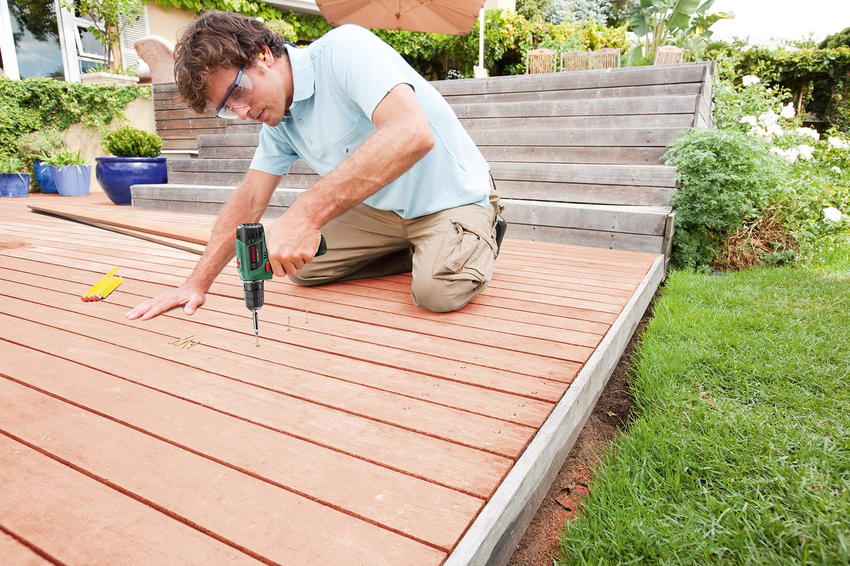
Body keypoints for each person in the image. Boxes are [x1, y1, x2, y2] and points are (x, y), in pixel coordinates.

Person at [126, 10, 505, 322]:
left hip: (454, 197)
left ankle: (476, 233)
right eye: (227, 108)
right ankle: (426, 247)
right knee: (302, 265)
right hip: (387, 213)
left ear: (263, 54)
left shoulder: (345, 49)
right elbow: (250, 198)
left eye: (237, 93)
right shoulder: (278, 117)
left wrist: (305, 214)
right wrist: (196, 283)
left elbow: (412, 133)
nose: (240, 112)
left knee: (436, 291)